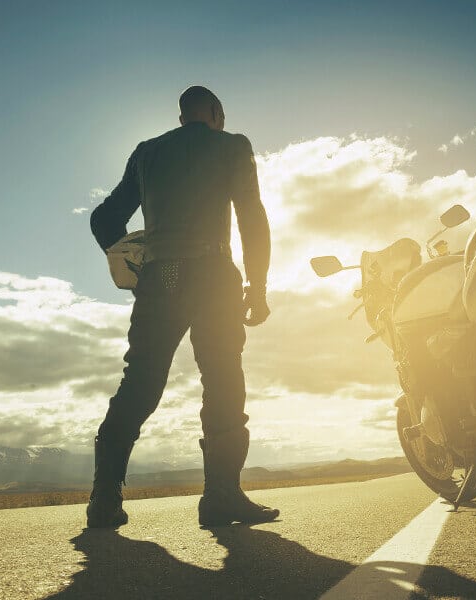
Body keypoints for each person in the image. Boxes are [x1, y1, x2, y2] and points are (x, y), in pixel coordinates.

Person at [86, 85, 278, 528]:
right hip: (212, 274)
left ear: (181, 118)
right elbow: (252, 216)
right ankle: (221, 498)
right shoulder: (232, 145)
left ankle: (104, 498)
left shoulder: (147, 152)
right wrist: (259, 286)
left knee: (141, 382)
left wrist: (131, 257)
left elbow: (104, 218)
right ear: (215, 113)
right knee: (223, 377)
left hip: (162, 277)